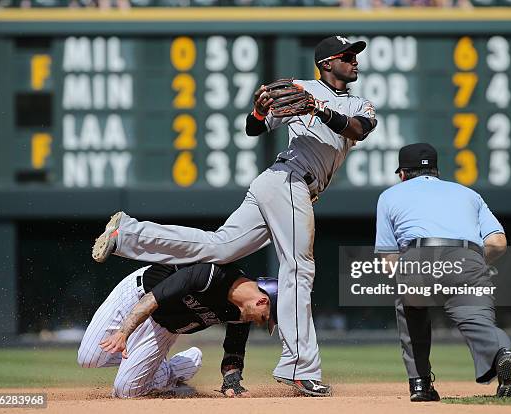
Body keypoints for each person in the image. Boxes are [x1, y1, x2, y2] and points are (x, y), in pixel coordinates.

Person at [90, 35, 377, 397]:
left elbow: (359, 130)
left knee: (221, 247)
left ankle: (128, 235)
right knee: (299, 269)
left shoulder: (359, 103)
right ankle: (301, 368)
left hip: (284, 185)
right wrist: (259, 111)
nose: (354, 60)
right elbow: (254, 128)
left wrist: (318, 109)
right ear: (326, 62)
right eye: (347, 55)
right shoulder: (298, 88)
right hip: (288, 181)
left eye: (354, 55)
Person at [375, 143, 511, 401]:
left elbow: (389, 258)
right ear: (436, 170)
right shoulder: (468, 194)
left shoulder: (389, 196)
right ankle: (502, 355)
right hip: (467, 256)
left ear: (402, 174)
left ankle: (420, 384)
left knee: (411, 312)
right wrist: (472, 263)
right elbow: (498, 242)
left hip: (418, 256)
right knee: (478, 321)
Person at [77, 261, 278, 398]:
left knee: (126, 390)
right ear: (262, 301)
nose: (260, 324)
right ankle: (172, 365)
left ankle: (172, 370)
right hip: (140, 297)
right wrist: (123, 332)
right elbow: (152, 299)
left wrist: (232, 382)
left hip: (163, 327)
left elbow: (234, 351)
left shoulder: (242, 313)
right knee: (88, 359)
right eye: (264, 318)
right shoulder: (212, 274)